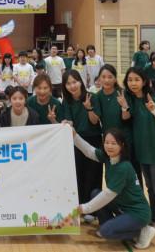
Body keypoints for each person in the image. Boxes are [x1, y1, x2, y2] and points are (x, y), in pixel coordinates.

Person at [71, 127, 155, 249]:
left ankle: (142, 231)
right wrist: (74, 135)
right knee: (95, 193)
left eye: (114, 143)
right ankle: (115, 226)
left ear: (122, 145)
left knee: (106, 232)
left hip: (137, 213)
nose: (109, 146)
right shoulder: (108, 157)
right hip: (121, 205)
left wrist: (85, 208)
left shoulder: (123, 167)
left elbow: (108, 195)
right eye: (106, 142)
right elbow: (89, 151)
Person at [122, 67, 155, 235]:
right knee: (150, 187)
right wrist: (124, 107)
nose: (133, 83)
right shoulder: (132, 100)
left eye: (136, 79)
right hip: (142, 150)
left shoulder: (153, 98)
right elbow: (126, 117)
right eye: (130, 80)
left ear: (144, 81)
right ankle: (153, 219)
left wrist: (154, 110)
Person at [61, 70, 102, 221]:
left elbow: (95, 121)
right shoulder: (67, 101)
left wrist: (89, 108)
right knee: (78, 174)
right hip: (76, 140)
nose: (72, 86)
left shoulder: (92, 97)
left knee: (93, 175)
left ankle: (93, 210)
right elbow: (70, 121)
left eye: (74, 82)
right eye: (68, 83)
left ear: (80, 82)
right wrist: (66, 123)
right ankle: (80, 208)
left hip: (93, 139)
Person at [94, 64, 142, 186]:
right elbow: (95, 120)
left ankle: (137, 197)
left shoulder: (123, 93)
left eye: (110, 77)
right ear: (99, 79)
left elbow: (126, 118)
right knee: (113, 177)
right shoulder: (98, 96)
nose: (106, 80)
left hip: (125, 141)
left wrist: (124, 106)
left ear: (115, 78)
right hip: (109, 143)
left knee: (132, 175)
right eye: (103, 77)